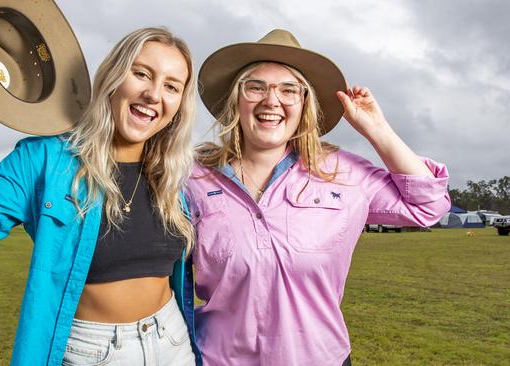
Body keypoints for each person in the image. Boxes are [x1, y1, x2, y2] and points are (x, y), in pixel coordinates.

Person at [0, 27, 199, 365]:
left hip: (173, 341)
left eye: (171, 86)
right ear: (113, 77)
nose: (153, 94)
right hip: (92, 352)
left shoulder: (175, 176)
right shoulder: (44, 159)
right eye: (141, 74)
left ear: (179, 104)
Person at [185, 29, 451, 365]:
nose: (271, 100)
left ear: (304, 104)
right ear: (236, 99)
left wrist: (376, 127)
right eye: (256, 87)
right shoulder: (192, 177)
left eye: (288, 90)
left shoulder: (343, 173)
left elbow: (427, 206)